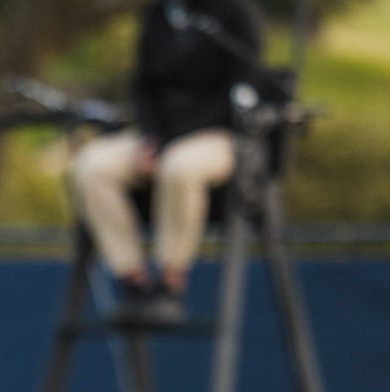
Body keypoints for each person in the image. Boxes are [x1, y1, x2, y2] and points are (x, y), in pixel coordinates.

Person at [70, 0, 264, 326]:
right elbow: (143, 87)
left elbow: (241, 88)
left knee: (180, 166)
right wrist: (149, 138)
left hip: (216, 133)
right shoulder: (158, 14)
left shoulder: (235, 14)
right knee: (92, 166)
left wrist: (170, 141)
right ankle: (133, 279)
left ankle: (169, 281)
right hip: (158, 135)